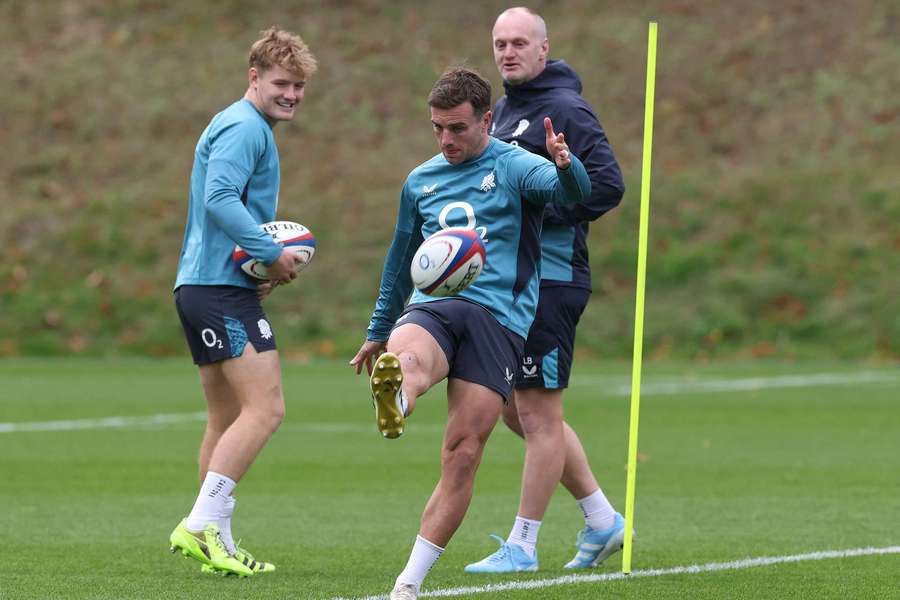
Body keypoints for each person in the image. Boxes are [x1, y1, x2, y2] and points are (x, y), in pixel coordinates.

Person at [350, 67, 590, 600]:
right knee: (406, 356)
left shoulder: (516, 166)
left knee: (462, 452)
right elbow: (398, 262)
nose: (446, 140)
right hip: (433, 304)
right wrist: (377, 329)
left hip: (498, 319)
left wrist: (567, 166)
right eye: (437, 128)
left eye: (457, 128)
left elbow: (572, 197)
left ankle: (407, 584)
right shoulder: (421, 180)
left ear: (486, 120)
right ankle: (398, 397)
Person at [463, 7, 627, 574]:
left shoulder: (565, 108)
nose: (507, 52)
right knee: (517, 411)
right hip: (511, 286)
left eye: (518, 43)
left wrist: (543, 212)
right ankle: (603, 519)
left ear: (543, 48)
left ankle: (524, 545)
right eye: (499, 43)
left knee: (536, 415)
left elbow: (607, 185)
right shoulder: (504, 110)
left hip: (552, 280)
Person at [168, 27, 316, 577]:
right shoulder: (244, 126)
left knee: (226, 416)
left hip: (204, 286)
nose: (292, 94)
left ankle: (217, 544)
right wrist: (269, 254)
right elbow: (220, 199)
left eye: (299, 86)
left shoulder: (245, 125)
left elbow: (226, 211)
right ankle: (201, 524)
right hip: (218, 293)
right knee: (266, 409)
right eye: (282, 82)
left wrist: (257, 265)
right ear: (253, 77)